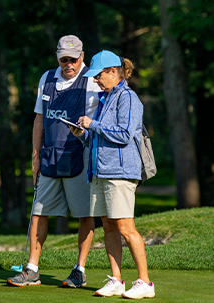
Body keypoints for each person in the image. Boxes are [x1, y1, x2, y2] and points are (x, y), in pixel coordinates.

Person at [7, 35, 101, 288]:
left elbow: (100, 123)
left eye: (72, 59)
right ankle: (32, 269)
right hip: (49, 156)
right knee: (39, 212)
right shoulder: (47, 78)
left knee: (84, 214)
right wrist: (35, 157)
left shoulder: (92, 80)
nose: (68, 64)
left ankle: (79, 270)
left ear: (82, 56)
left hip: (80, 157)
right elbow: (39, 120)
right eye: (63, 59)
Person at [70, 50, 155, 299]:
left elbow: (125, 134)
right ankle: (116, 279)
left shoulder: (129, 98)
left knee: (126, 227)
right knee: (108, 226)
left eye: (98, 76)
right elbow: (99, 136)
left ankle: (145, 283)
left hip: (120, 172)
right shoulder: (105, 99)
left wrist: (92, 125)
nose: (95, 80)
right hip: (101, 171)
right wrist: (83, 134)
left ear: (113, 72)